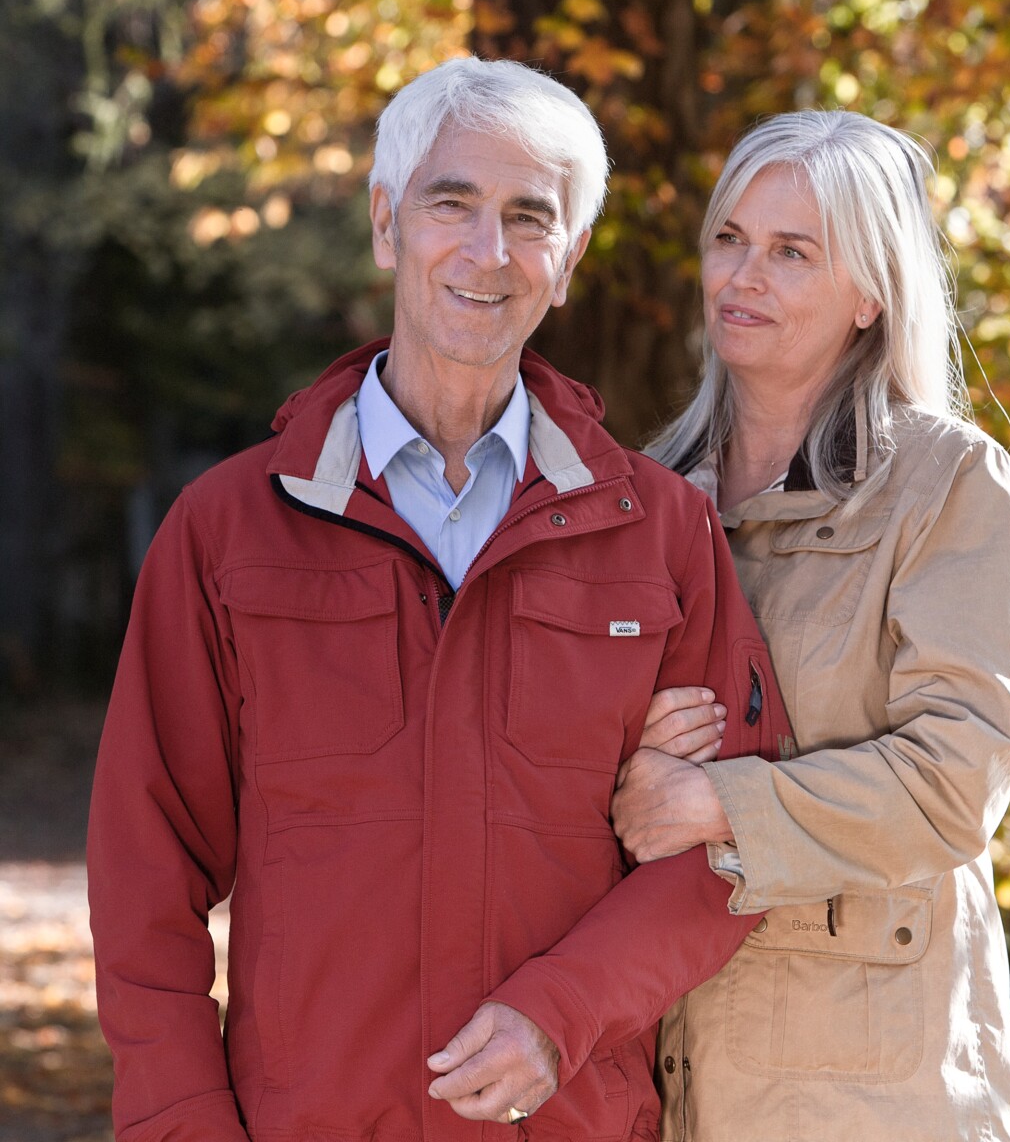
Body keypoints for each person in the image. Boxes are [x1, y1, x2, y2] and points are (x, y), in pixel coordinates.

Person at [86, 57, 788, 1142]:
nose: (486, 252)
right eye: (449, 203)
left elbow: (731, 848)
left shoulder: (658, 535)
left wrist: (560, 1017)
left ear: (570, 261)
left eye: (528, 218)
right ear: (385, 223)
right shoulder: (229, 532)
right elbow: (145, 872)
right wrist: (182, 1122)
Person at [610, 110, 1010, 1140]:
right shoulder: (644, 497)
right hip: (662, 1073)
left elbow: (954, 783)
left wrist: (715, 802)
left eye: (791, 252)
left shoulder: (950, 487)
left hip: (872, 1091)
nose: (744, 275)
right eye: (730, 240)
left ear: (870, 293)